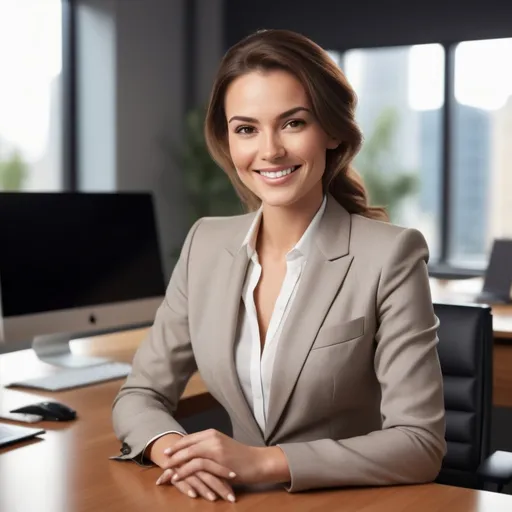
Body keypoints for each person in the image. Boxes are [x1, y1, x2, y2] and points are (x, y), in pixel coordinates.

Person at [112, 28, 446, 503]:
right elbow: (141, 393)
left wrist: (262, 462)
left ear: (331, 130)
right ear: (227, 141)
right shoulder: (206, 243)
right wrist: (175, 450)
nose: (269, 150)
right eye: (246, 128)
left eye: (293, 123)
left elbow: (419, 444)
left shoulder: (390, 255)